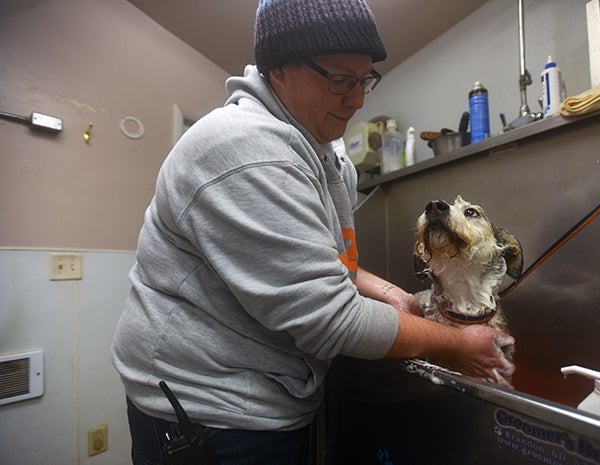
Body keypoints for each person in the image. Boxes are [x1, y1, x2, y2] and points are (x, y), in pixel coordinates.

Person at [111, 0, 515, 464]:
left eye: (364, 80)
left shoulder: (325, 153)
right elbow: (330, 319)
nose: (358, 99)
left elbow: (323, 262)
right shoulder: (245, 150)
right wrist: (461, 345)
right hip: (208, 412)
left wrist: (386, 291)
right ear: (278, 68)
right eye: (341, 80)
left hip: (273, 394)